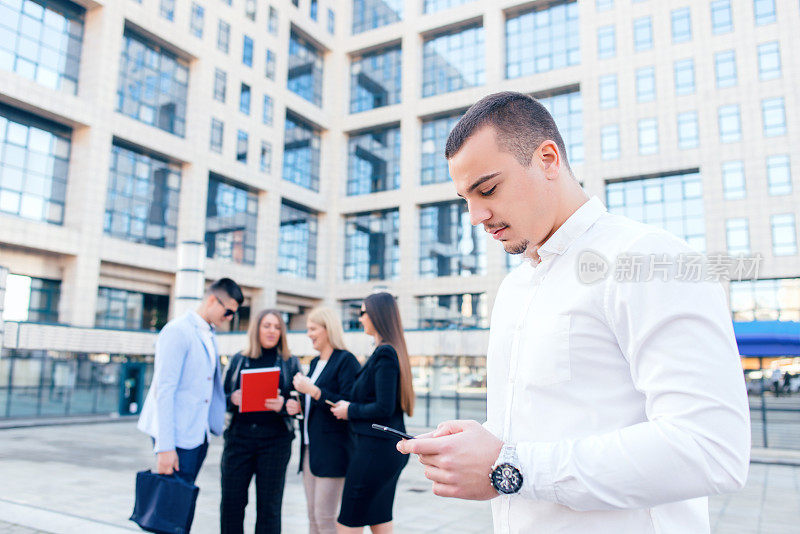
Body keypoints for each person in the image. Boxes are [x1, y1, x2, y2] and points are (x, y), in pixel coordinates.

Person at [397, 92, 751, 533]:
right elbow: (543, 428)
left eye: (487, 189)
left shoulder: (646, 258)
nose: (475, 216)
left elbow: (711, 449)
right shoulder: (513, 288)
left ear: (548, 159)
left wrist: (508, 465)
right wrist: (480, 443)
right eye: (464, 198)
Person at [137, 278, 244, 488]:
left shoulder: (210, 335)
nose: (229, 318)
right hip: (176, 438)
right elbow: (164, 390)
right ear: (212, 300)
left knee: (183, 504)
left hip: (198, 435)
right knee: (171, 509)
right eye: (228, 312)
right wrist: (164, 447)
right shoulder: (178, 331)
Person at [330, 292, 415, 534]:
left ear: (377, 315)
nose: (360, 318)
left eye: (363, 312)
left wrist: (349, 410)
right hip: (384, 450)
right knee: (379, 517)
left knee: (348, 521)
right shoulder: (388, 351)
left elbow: (383, 407)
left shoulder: (385, 353)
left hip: (375, 450)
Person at [220, 309, 301, 534]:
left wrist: (284, 405)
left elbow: (299, 404)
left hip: (275, 441)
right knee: (232, 503)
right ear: (256, 329)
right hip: (239, 439)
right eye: (267, 325)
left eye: (277, 327)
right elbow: (220, 397)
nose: (272, 331)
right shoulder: (238, 359)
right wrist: (232, 399)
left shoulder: (290, 362)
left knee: (270, 508)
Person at [286, 307, 361, 534]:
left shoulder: (346, 361)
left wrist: (314, 391)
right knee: (312, 516)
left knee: (325, 517)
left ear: (327, 329)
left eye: (312, 328)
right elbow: (314, 405)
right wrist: (298, 407)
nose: (308, 334)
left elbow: (348, 403)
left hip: (333, 451)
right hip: (310, 449)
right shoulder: (315, 362)